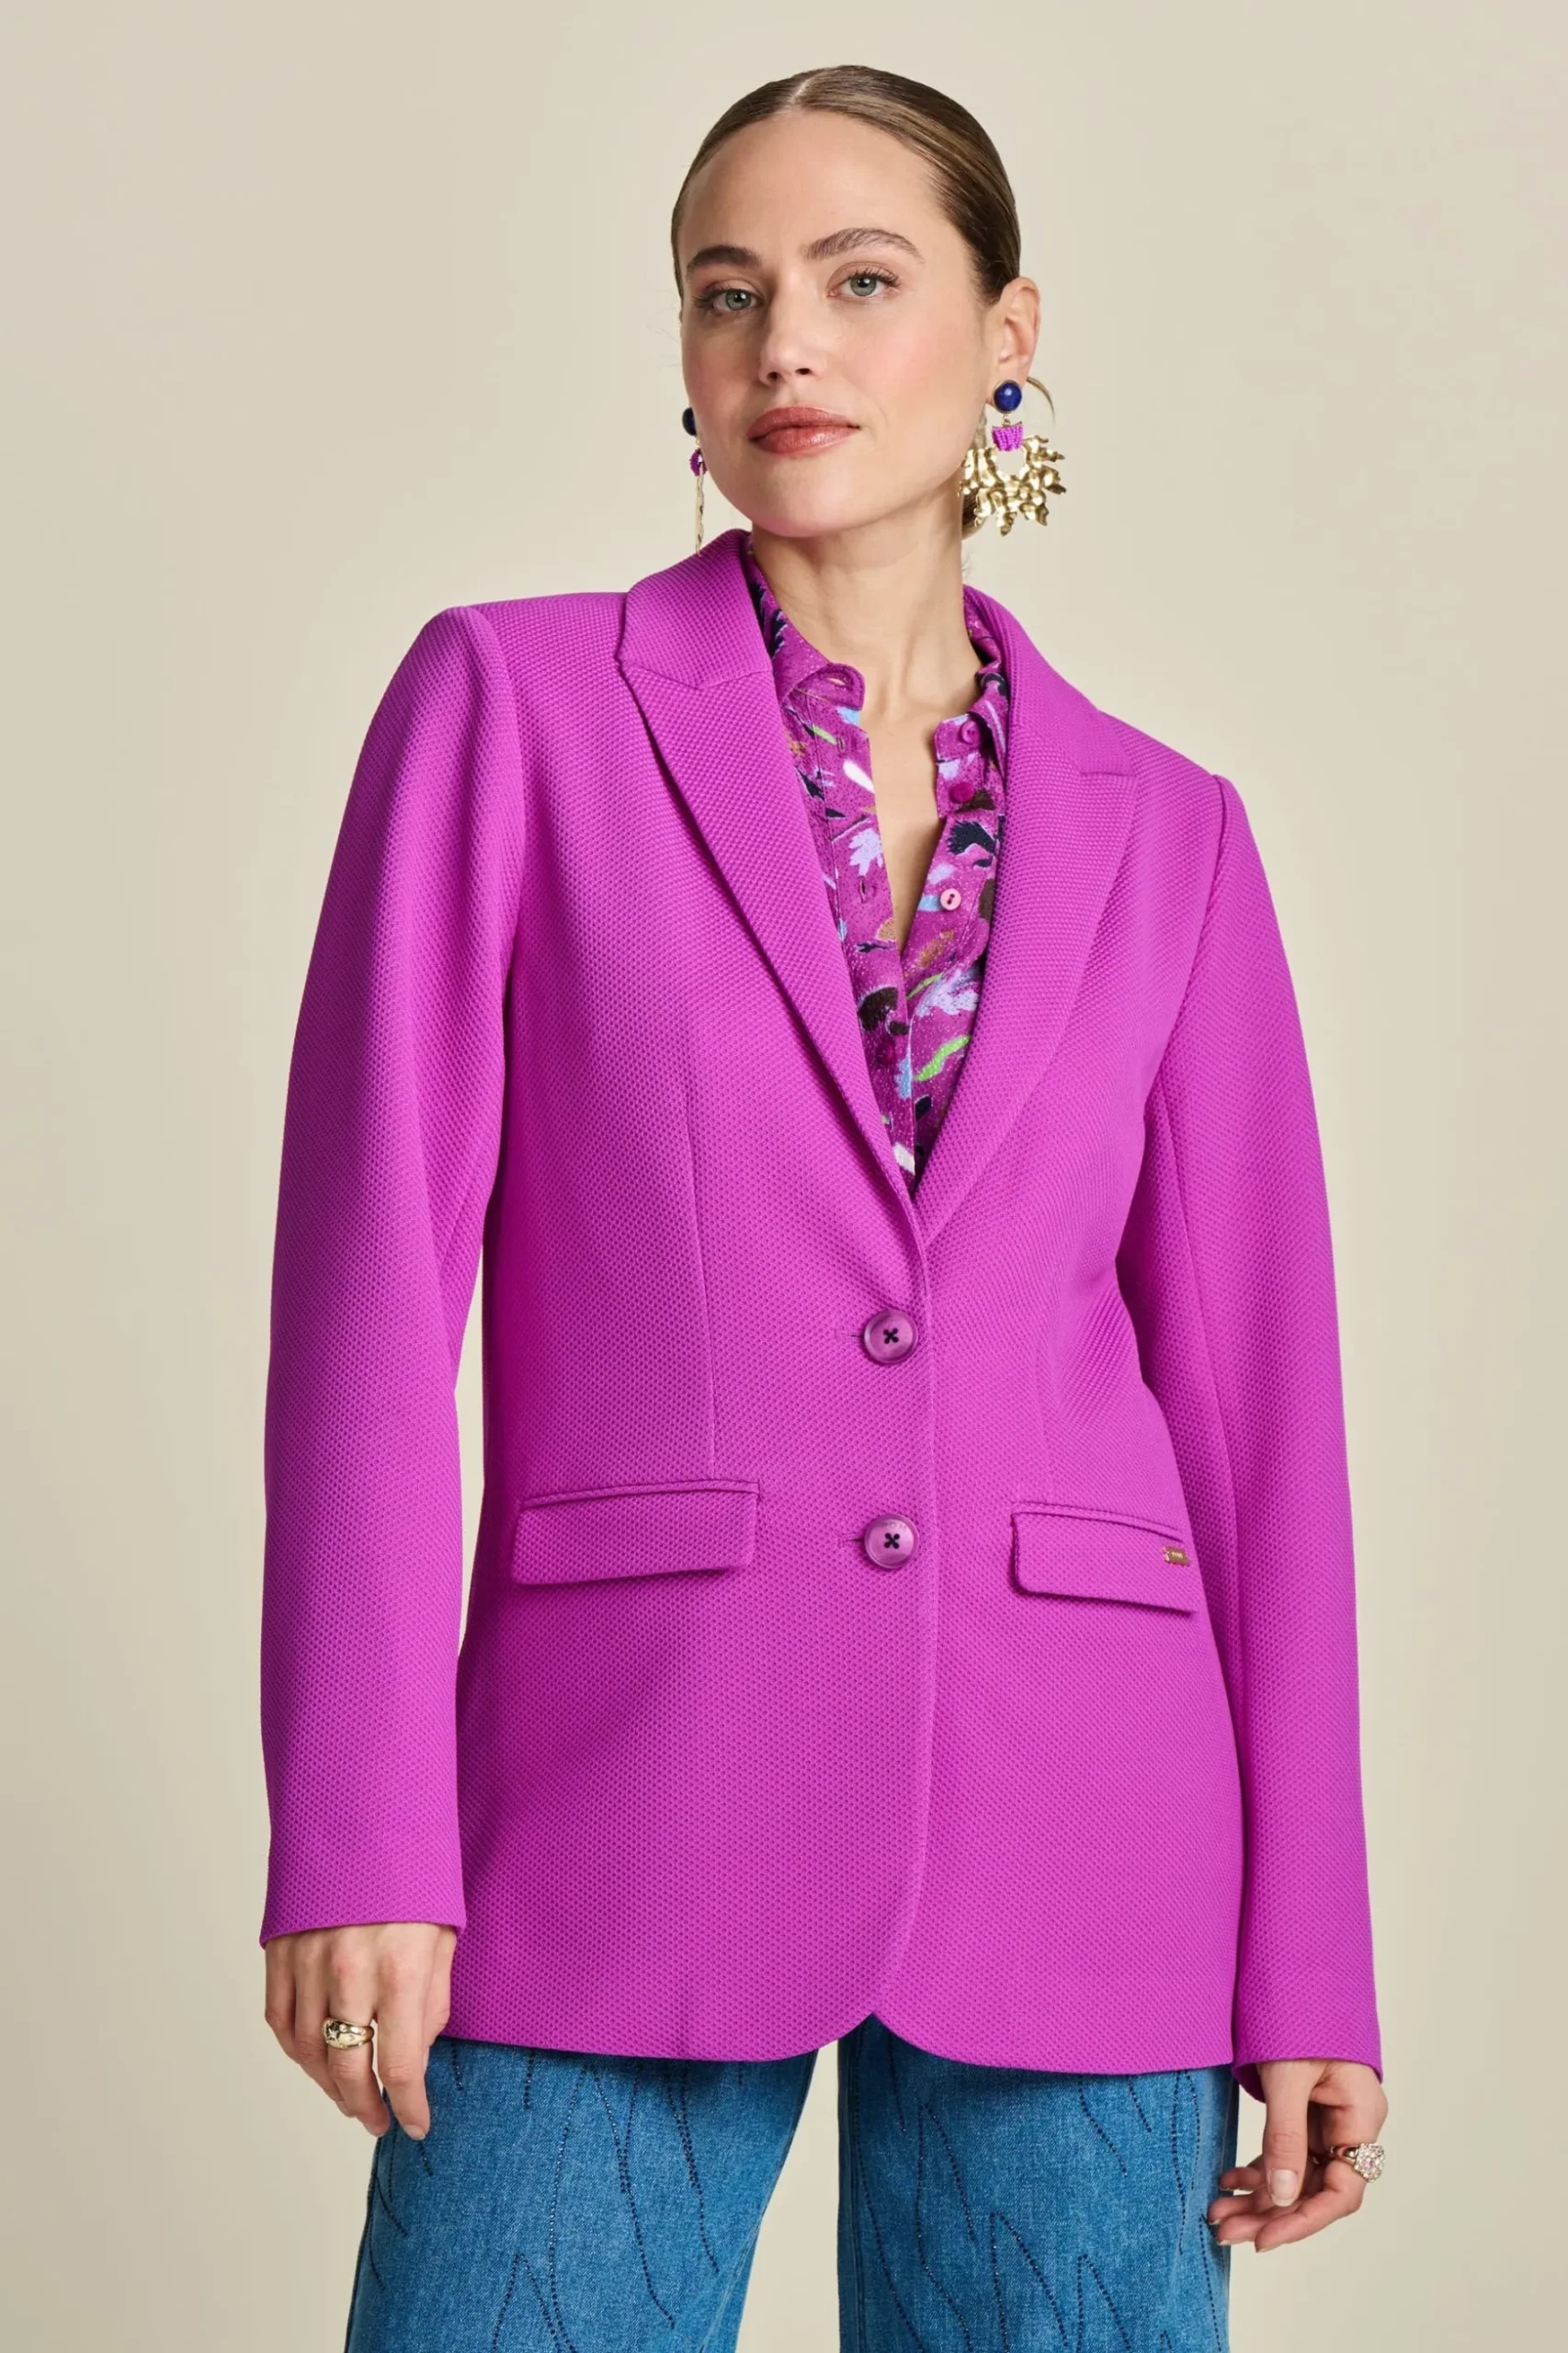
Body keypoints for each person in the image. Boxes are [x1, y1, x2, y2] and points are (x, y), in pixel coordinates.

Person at [258, 63, 1388, 2351]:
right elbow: (365, 1294)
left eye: (862, 282)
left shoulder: (1172, 830)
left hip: (1092, 1839)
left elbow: (1259, 1417)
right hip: (615, 1794)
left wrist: (1312, 1954)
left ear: (1005, 335)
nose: (786, 342)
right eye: (727, 290)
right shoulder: (510, 708)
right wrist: (358, 1827)